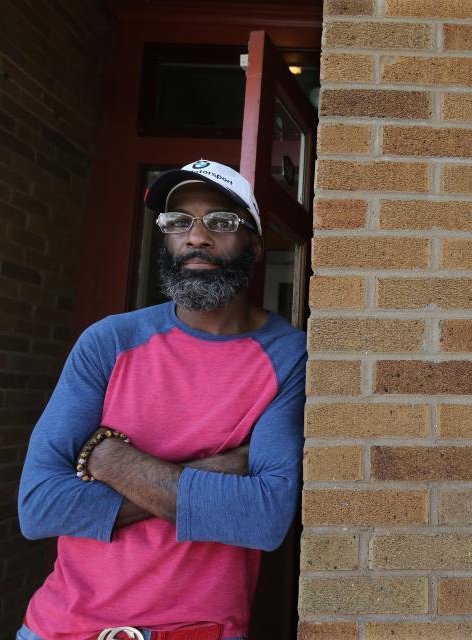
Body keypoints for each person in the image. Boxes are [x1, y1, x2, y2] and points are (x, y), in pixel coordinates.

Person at [16, 160, 306, 640]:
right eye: (178, 223)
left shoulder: (288, 355)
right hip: (60, 628)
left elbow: (264, 517)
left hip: (200, 631)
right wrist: (225, 467)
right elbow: (41, 506)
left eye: (220, 221)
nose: (196, 237)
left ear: (254, 243)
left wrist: (108, 460)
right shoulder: (109, 342)